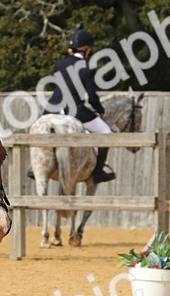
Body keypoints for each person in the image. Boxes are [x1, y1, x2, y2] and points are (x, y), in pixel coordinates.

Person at [38, 28, 116, 183]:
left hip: (52, 109)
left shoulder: (59, 65)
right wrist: (100, 110)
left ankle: (35, 167)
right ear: (86, 49)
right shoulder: (87, 69)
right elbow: (92, 98)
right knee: (106, 132)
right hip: (74, 110)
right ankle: (98, 172)